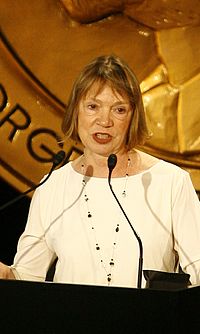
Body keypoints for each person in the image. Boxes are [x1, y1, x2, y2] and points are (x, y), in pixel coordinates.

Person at [0, 55, 200, 288]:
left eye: (119, 109)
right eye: (93, 106)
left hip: (149, 323)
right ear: (76, 112)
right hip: (70, 323)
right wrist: (5, 274)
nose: (104, 121)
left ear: (133, 117)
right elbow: (26, 278)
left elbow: (198, 270)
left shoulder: (170, 182)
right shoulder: (53, 187)